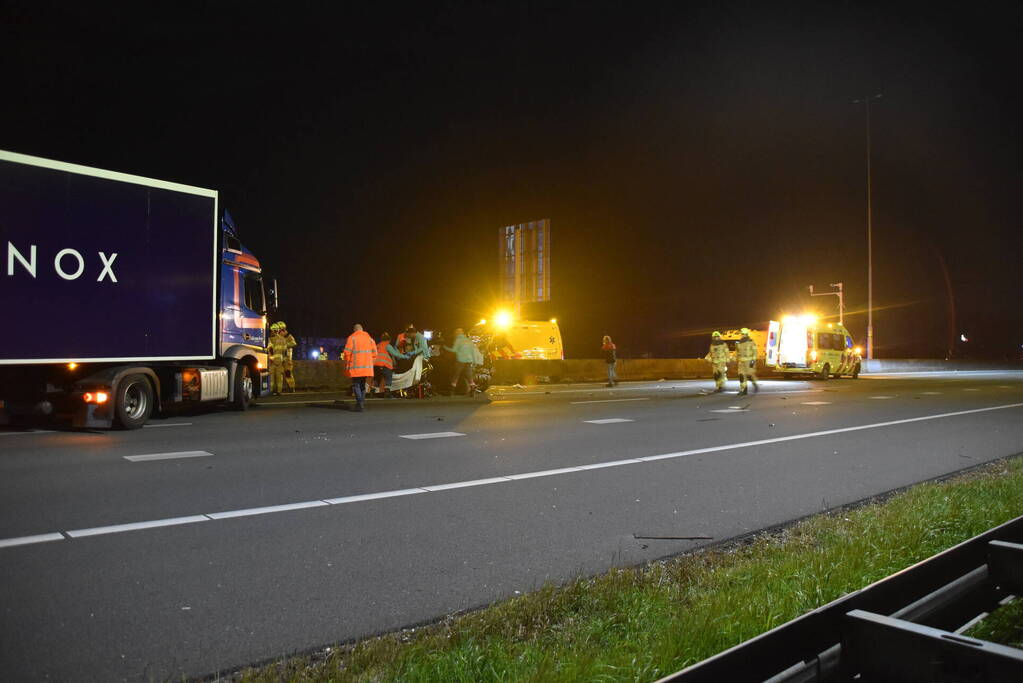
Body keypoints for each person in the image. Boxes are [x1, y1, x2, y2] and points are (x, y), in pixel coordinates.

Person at [343, 324, 376, 411]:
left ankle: (360, 404)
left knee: (356, 385)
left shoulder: (352, 338)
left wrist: (347, 364)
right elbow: (375, 353)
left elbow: (347, 353)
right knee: (362, 385)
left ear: (355, 330)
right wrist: (369, 362)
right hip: (366, 367)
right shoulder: (370, 339)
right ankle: (361, 403)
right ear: (362, 329)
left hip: (356, 366)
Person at [373, 332, 408, 397]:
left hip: (375, 365)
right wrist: (406, 356)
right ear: (389, 340)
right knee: (388, 377)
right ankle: (387, 393)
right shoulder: (387, 345)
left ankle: (377, 392)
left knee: (380, 378)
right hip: (383, 365)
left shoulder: (377, 345)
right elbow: (395, 354)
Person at [445, 327, 478, 395]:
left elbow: (454, 350)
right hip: (468, 360)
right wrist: (474, 360)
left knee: (456, 375)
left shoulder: (458, 340)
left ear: (457, 333)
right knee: (469, 376)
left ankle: (451, 391)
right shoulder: (468, 340)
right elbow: (472, 351)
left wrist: (446, 348)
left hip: (461, 360)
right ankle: (472, 388)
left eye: (456, 332)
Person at [736, 327, 759, 396]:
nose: (742, 335)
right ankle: (743, 390)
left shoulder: (751, 342)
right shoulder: (739, 343)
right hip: (741, 362)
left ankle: (754, 383)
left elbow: (755, 352)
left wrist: (753, 361)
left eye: (744, 334)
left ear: (747, 334)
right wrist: (734, 358)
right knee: (741, 376)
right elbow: (737, 352)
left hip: (749, 362)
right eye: (742, 334)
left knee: (749, 375)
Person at [277, 321, 298, 392]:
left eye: (279, 330)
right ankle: (279, 389)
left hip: (287, 359)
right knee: (279, 373)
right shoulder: (277, 338)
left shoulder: (288, 337)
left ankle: (292, 388)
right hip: (279, 358)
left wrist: (285, 345)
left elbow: (294, 343)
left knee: (288, 373)